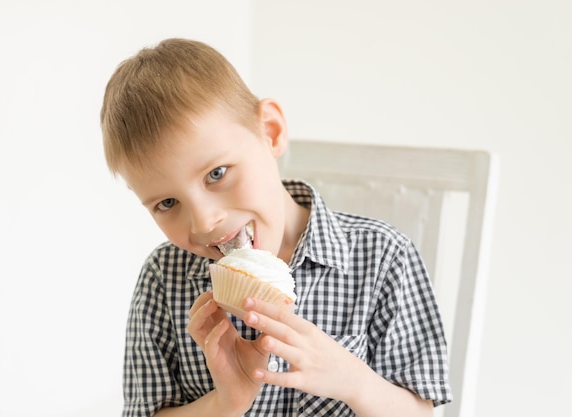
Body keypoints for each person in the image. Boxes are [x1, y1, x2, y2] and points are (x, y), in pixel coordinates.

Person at [100, 38, 452, 417]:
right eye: (167, 203)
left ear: (270, 131)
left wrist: (353, 381)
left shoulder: (384, 257)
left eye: (216, 174)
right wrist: (225, 402)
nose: (203, 221)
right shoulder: (163, 278)